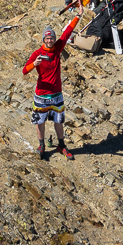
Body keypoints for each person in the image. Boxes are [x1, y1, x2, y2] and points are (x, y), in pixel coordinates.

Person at [22, 15, 81, 160]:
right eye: (47, 38)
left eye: (51, 38)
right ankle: (41, 146)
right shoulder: (37, 54)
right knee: (40, 121)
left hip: (56, 94)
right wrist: (33, 65)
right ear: (43, 39)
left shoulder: (57, 48)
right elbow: (24, 71)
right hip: (41, 94)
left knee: (59, 121)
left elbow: (67, 32)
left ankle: (61, 145)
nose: (49, 40)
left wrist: (78, 16)